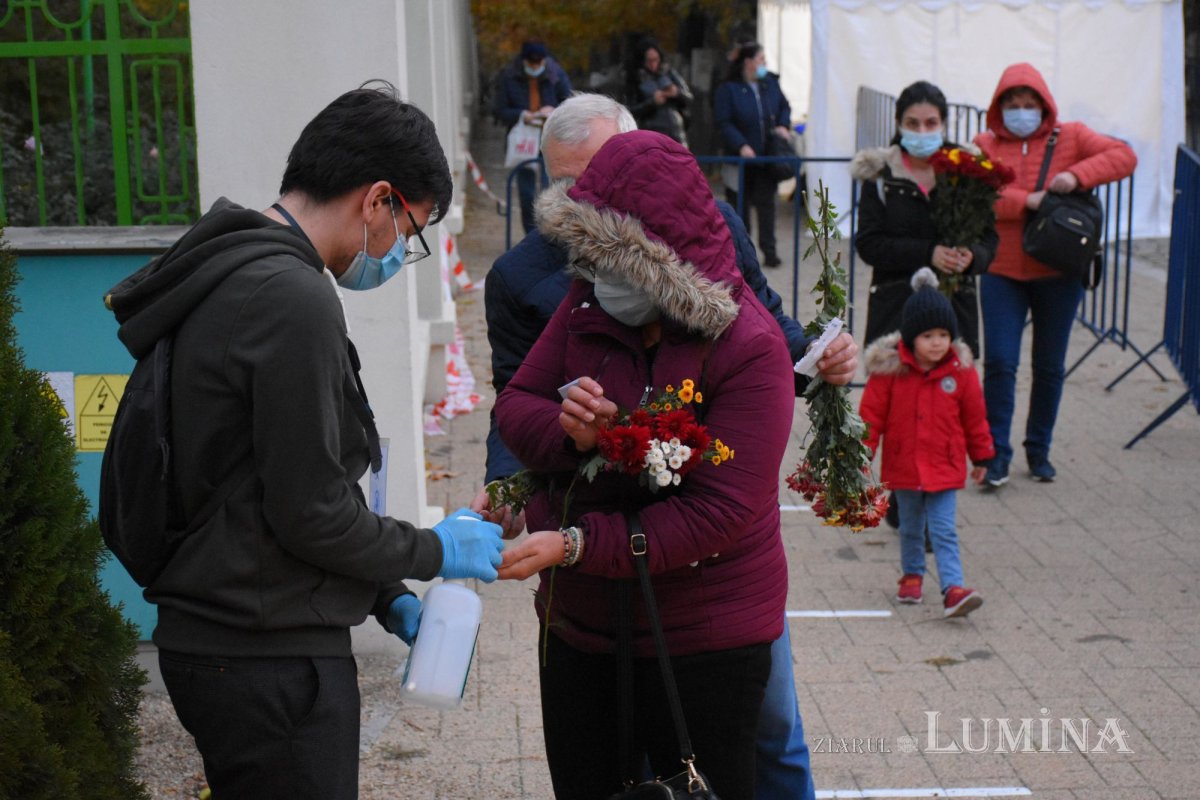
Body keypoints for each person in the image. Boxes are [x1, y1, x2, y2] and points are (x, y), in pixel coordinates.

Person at [103, 82, 510, 799]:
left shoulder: (230, 264)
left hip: (226, 634)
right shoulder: (291, 298)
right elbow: (311, 513)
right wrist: (436, 548)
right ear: (377, 200)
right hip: (268, 657)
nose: (396, 253)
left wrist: (387, 592)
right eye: (409, 232)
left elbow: (266, 478)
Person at [484, 93, 858, 800]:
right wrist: (572, 431)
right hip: (583, 627)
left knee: (733, 767)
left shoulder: (745, 345)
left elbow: (721, 512)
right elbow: (516, 405)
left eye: (613, 257)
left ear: (660, 254)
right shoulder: (587, 300)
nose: (594, 275)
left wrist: (574, 543)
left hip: (703, 633)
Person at [973, 63, 1137, 486]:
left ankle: (1039, 450)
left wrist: (1076, 175)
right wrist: (1029, 201)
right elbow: (979, 196)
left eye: (1030, 105)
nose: (1022, 112)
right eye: (1014, 105)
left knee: (1049, 366)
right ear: (999, 107)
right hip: (1001, 269)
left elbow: (1124, 156)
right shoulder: (983, 144)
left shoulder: (1074, 136)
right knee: (1001, 363)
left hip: (1058, 270)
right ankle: (996, 455)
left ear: (1044, 106)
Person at [859, 268, 995, 618]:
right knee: (909, 526)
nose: (937, 343)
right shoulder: (891, 372)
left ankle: (953, 589)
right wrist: (861, 454)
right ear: (910, 338)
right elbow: (871, 418)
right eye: (928, 336)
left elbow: (975, 418)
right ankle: (912, 576)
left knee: (943, 529)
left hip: (944, 464)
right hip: (905, 465)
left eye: (943, 335)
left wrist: (982, 457)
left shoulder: (960, 374)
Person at [851, 80, 998, 358]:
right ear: (898, 124)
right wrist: (927, 254)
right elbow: (869, 244)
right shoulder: (881, 173)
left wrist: (973, 257)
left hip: (953, 316)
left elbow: (989, 239)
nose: (922, 131)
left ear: (943, 123)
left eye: (931, 123)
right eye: (912, 123)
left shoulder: (968, 170)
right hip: (895, 309)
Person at [714, 42, 793, 268]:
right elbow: (724, 122)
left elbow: (784, 107)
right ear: (748, 63)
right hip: (740, 160)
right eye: (761, 59)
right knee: (739, 211)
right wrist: (741, 145)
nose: (764, 64)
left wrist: (784, 126)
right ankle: (742, 255)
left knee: (767, 206)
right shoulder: (728, 89)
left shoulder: (770, 84)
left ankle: (770, 251)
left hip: (766, 158)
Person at [494, 40, 574, 234]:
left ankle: (552, 233)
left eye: (539, 63)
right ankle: (531, 234)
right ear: (524, 61)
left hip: (551, 138)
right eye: (531, 63)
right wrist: (522, 115)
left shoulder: (556, 76)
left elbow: (571, 104)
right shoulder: (509, 77)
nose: (535, 67)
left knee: (551, 189)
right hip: (524, 140)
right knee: (527, 192)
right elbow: (499, 110)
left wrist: (553, 112)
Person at [626, 39, 693, 147]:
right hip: (651, 135)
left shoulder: (669, 73)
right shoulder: (635, 79)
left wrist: (676, 93)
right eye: (649, 61)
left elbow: (689, 98)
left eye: (656, 60)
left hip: (676, 132)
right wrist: (652, 103)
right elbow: (630, 109)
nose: (653, 65)